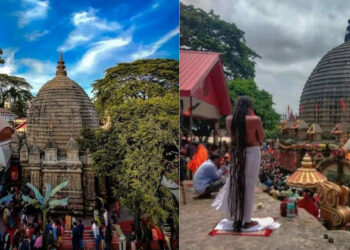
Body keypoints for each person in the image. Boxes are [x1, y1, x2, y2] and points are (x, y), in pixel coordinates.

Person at [212, 96, 265, 232]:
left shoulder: (230, 120)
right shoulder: (255, 120)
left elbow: (234, 135)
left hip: (237, 153)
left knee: (236, 184)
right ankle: (246, 220)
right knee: (249, 186)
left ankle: (236, 218)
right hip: (252, 153)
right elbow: (261, 138)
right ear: (249, 106)